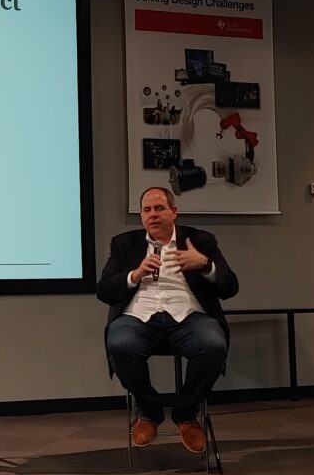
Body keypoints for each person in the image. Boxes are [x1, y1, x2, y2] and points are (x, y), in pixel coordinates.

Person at [96, 187, 238, 454]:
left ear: (174, 212)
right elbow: (103, 290)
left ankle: (186, 414)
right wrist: (134, 275)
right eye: (147, 210)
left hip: (189, 316)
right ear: (141, 216)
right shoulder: (124, 244)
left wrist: (205, 264)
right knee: (120, 342)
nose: (153, 215)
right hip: (138, 317)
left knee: (213, 343)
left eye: (159, 208)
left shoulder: (200, 240)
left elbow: (231, 287)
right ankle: (148, 412)